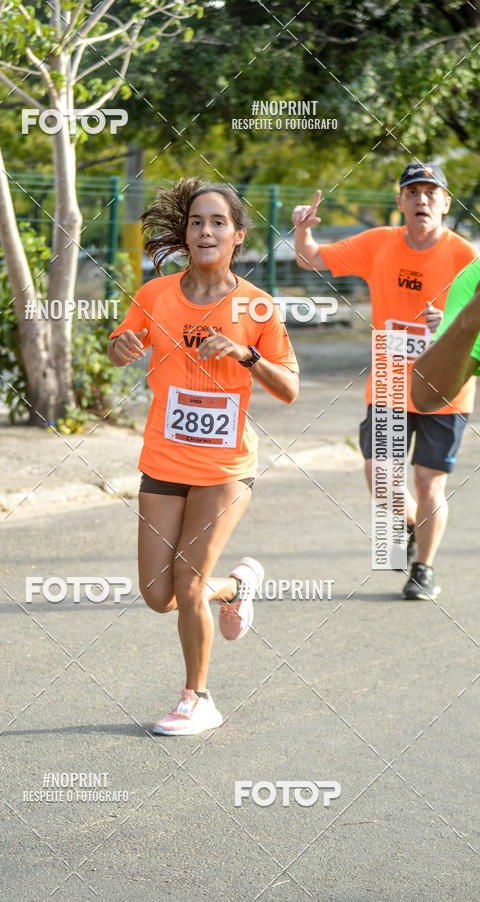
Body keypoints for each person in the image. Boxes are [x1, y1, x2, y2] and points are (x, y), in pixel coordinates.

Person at [107, 178, 299, 735]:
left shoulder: (256, 307)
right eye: (197, 221)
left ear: (238, 235)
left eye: (219, 222)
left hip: (225, 468)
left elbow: (289, 387)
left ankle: (198, 698)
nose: (206, 230)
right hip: (164, 461)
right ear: (186, 234)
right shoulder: (155, 295)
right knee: (158, 595)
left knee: (188, 585)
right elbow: (124, 344)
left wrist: (245, 356)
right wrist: (120, 346)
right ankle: (236, 588)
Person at [292, 162, 477, 600]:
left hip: (444, 390)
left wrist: (451, 322)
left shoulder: (466, 257)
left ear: (446, 203)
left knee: (429, 482)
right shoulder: (379, 244)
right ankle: (411, 525)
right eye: (412, 192)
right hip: (391, 385)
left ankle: (423, 569)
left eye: (431, 193)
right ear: (400, 203)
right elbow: (311, 258)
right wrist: (301, 229)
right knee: (381, 476)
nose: (422, 200)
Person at [412, 269, 480, 412]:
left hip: (451, 408)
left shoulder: (463, 251)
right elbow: (426, 395)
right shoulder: (473, 275)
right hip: (389, 388)